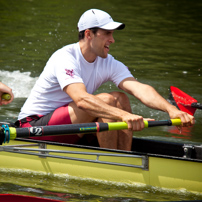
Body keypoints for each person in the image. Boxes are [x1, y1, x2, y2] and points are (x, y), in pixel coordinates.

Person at [17, 9, 194, 151]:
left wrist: (171, 110)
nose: (113, 40)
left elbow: (140, 89)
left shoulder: (108, 62)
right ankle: (115, 162)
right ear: (89, 34)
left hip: (69, 127)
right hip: (34, 128)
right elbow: (82, 100)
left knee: (120, 97)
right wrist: (125, 116)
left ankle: (125, 157)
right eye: (107, 33)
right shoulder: (65, 57)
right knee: (107, 100)